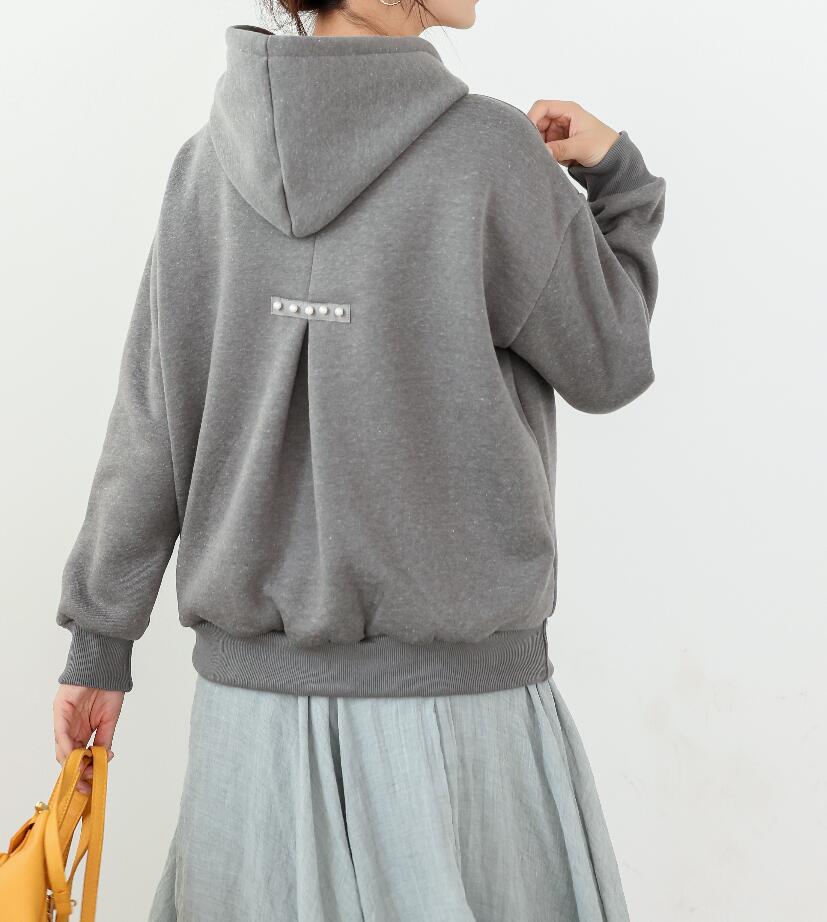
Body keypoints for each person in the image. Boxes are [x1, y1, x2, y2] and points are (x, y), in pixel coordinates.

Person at [51, 1, 666, 919]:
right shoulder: (485, 157)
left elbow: (150, 427)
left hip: (246, 734)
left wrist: (99, 649)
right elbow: (609, 362)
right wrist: (620, 183)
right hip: (456, 722)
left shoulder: (205, 167)